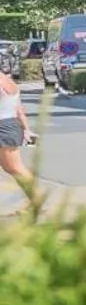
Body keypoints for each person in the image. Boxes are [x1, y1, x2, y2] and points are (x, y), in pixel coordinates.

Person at [0, 46, 36, 200]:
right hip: (9, 124)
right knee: (11, 167)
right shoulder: (7, 81)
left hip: (4, 126)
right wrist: (26, 129)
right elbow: (19, 109)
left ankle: (37, 199)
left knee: (15, 167)